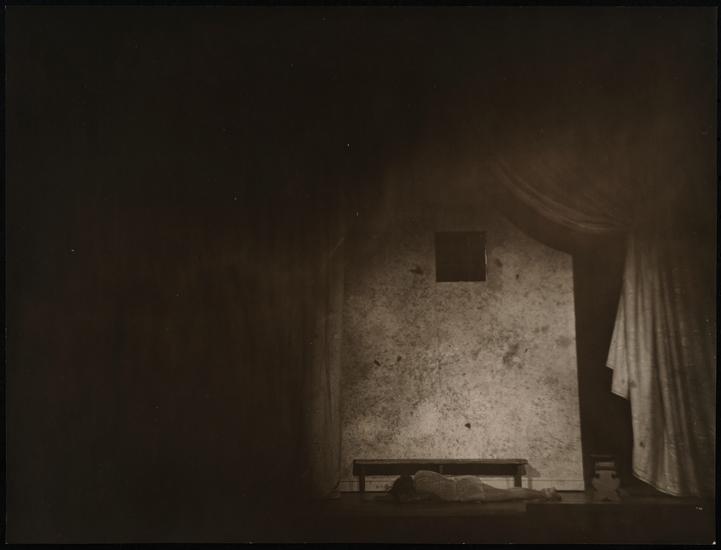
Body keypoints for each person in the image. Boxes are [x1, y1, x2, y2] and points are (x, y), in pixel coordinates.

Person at [388, 470, 561, 503]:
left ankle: (545, 495)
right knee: (508, 492)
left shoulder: (420, 488)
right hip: (465, 481)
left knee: (508, 494)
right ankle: (543, 493)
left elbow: (434, 498)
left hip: (466, 492)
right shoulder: (420, 474)